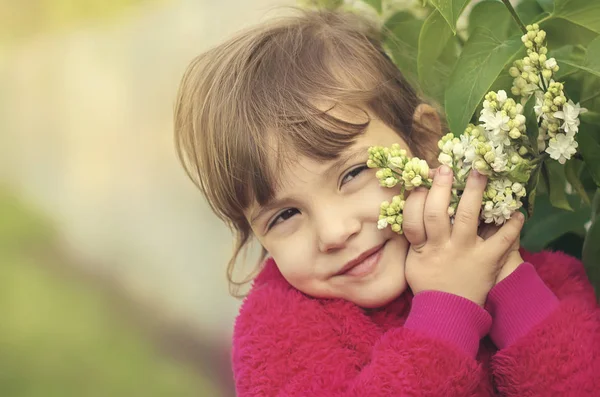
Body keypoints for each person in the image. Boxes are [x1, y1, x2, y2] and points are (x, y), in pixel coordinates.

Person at [173, 7, 599, 396]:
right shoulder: (278, 332)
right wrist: (446, 314)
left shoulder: (541, 274)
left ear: (426, 143)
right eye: (285, 215)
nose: (334, 232)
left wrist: (508, 283)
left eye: (354, 173)